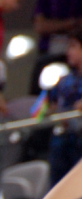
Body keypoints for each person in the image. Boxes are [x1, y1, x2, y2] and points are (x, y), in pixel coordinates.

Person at [46, 29, 82, 186]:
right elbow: (43, 109)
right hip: (62, 143)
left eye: (73, 46)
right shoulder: (63, 81)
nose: (69, 52)